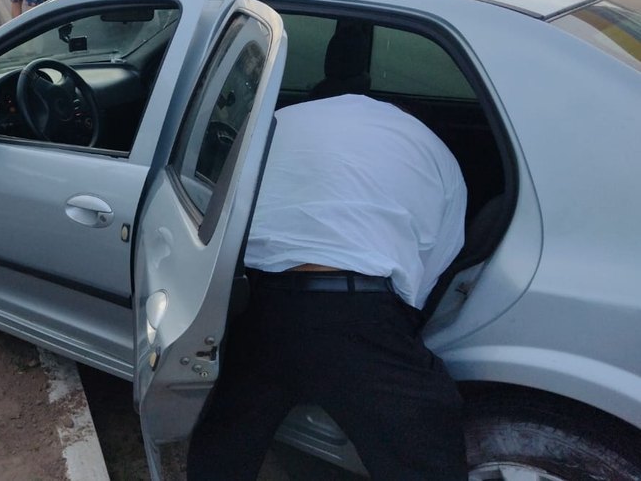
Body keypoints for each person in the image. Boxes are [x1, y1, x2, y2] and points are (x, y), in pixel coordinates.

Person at [186, 93, 468, 481]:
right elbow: (438, 256)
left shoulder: (276, 121)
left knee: (228, 432)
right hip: (359, 311)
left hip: (262, 301)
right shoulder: (432, 149)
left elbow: (221, 202)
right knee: (425, 448)